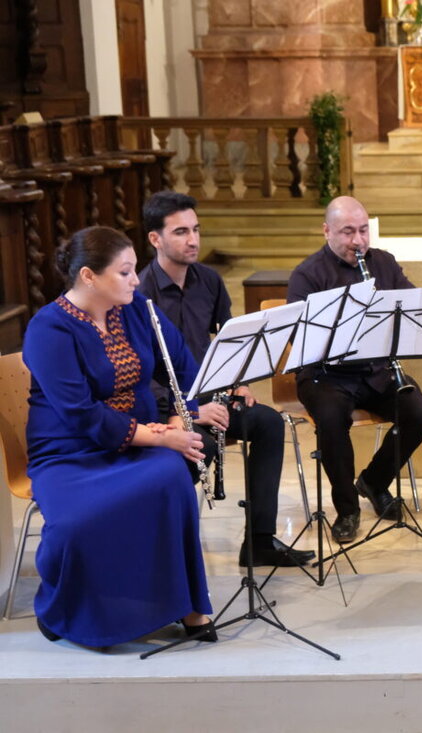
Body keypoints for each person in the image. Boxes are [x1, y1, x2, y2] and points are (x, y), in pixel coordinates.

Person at [24, 226, 216, 647]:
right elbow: (79, 415)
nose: (136, 280)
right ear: (89, 276)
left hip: (141, 436)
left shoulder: (136, 307)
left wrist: (186, 417)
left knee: (171, 477)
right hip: (69, 450)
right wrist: (159, 437)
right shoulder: (48, 329)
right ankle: (64, 606)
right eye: (126, 272)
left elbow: (183, 365)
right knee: (76, 523)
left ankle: (185, 603)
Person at [137, 191, 314, 568]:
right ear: (155, 239)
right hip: (166, 409)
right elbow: (138, 372)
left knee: (267, 422)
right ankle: (166, 553)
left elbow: (228, 339)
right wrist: (185, 411)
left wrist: (239, 380)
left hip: (211, 398)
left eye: (196, 230)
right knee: (199, 447)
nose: (194, 240)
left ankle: (260, 541)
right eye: (181, 231)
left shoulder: (210, 281)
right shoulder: (140, 294)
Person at [287, 196, 422, 543]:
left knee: (419, 413)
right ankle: (347, 509)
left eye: (364, 230)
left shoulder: (383, 263)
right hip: (326, 374)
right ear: (327, 231)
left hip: (376, 369)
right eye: (348, 232)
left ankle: (374, 481)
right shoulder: (307, 274)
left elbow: (411, 307)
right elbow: (298, 335)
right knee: (331, 420)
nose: (358, 241)